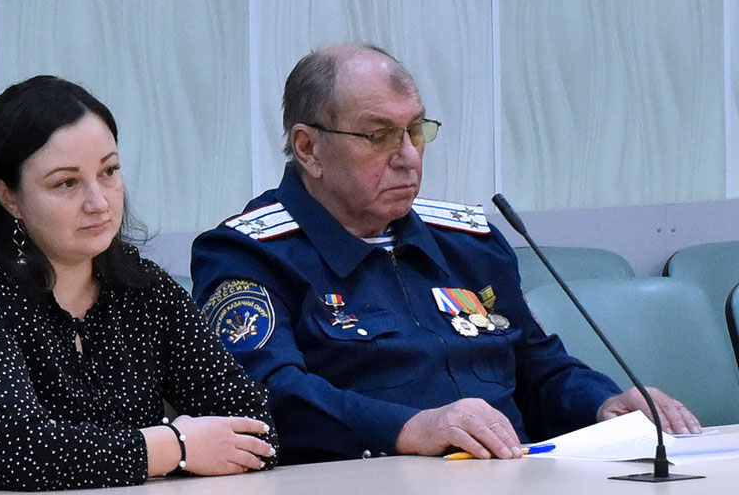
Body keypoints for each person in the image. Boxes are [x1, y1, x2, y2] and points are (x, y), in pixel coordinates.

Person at [191, 43, 699, 464]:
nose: (408, 157)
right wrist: (409, 428)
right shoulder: (248, 253)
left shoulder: (467, 243)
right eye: (378, 136)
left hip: (511, 486)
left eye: (415, 131)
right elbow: (265, 396)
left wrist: (604, 404)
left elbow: (534, 364)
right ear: (308, 148)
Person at [0, 75, 275, 495]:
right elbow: (24, 455)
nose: (99, 202)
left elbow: (254, 424)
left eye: (109, 172)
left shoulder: (145, 290)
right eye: (66, 183)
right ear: (9, 197)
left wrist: (184, 452)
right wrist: (177, 446)